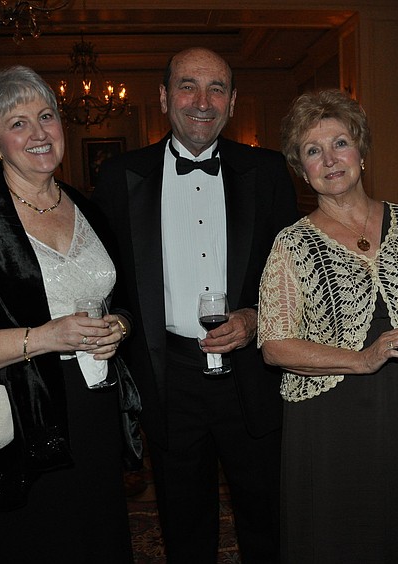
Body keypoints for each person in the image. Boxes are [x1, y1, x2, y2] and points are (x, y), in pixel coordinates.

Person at [0, 66, 138, 563]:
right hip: (22, 416)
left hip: (97, 408)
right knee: (40, 543)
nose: (39, 133)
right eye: (18, 123)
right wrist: (41, 337)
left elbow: (123, 300)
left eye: (47, 116)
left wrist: (119, 326)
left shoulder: (89, 209)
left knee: (101, 538)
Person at [92, 47, 299, 563]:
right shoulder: (120, 177)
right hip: (170, 376)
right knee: (183, 525)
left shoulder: (268, 172)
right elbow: (107, 285)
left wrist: (255, 318)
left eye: (217, 89)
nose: (202, 102)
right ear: (164, 97)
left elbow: (292, 276)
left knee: (267, 516)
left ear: (232, 101)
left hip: (252, 372)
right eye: (188, 86)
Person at [258, 89, 398, 563]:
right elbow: (274, 345)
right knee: (343, 538)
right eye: (313, 150)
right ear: (301, 166)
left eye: (340, 143)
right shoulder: (291, 245)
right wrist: (361, 358)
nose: (330, 159)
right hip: (331, 420)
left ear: (362, 150)